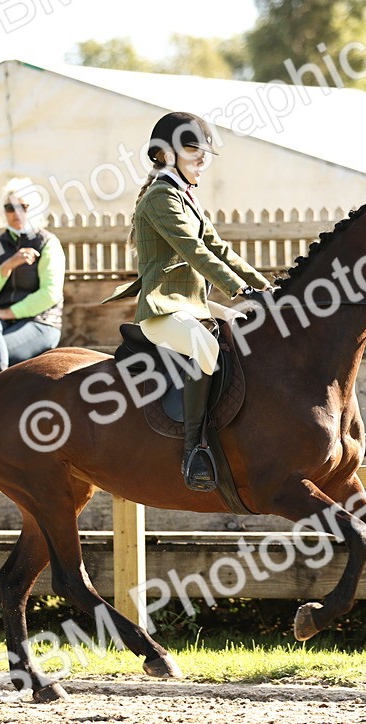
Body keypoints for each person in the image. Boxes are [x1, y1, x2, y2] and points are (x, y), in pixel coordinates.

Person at [107, 111, 273, 492]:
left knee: (244, 334)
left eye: (204, 154)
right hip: (163, 308)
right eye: (194, 151)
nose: (202, 160)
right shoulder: (160, 198)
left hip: (193, 304)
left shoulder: (187, 198)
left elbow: (221, 249)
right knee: (208, 348)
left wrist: (265, 289)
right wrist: (240, 290)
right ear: (166, 155)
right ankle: (194, 449)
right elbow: (195, 251)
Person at [0, 177, 65, 371]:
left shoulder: (48, 243)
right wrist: (8, 265)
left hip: (41, 322)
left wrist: (4, 313)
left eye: (23, 206)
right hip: (2, 323)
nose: (16, 213)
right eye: (9, 208)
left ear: (35, 208)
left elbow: (50, 294)